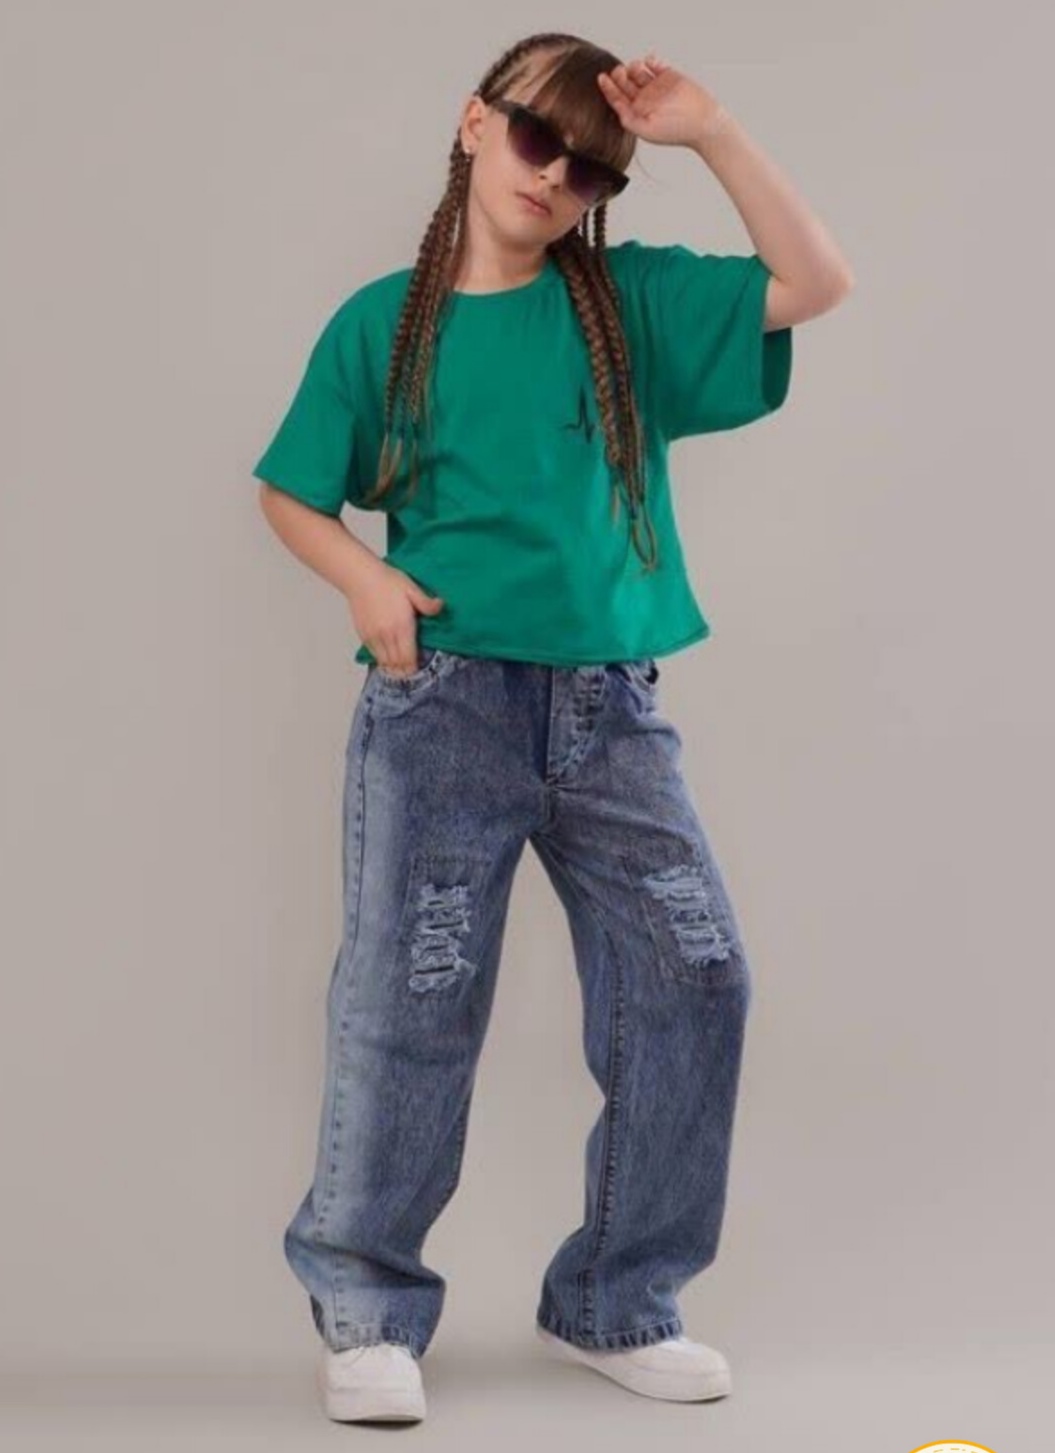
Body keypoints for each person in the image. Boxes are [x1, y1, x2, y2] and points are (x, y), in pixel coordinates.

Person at [252, 31, 853, 1425]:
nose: (556, 176)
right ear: (476, 124)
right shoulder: (381, 325)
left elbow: (815, 282)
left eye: (591, 170)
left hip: (610, 714)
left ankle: (617, 1296)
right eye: (538, 140)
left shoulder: (627, 307)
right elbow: (289, 488)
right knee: (411, 1000)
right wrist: (365, 580)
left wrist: (712, 132)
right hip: (442, 709)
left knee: (696, 977)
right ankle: (369, 1306)